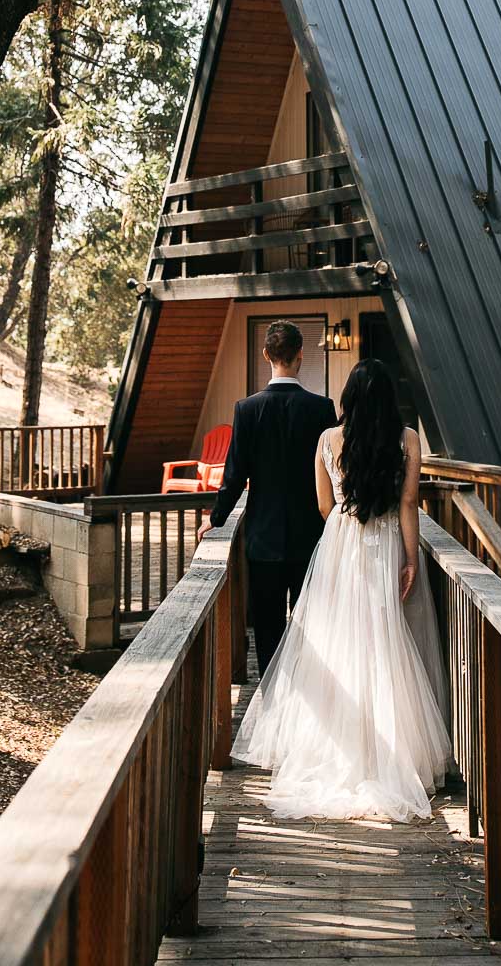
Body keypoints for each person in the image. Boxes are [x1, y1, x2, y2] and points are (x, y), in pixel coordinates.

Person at [233, 356, 451, 822]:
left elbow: (324, 503)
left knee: (337, 641)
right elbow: (410, 502)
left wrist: (345, 532)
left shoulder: (329, 439)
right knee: (383, 638)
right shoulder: (407, 439)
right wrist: (411, 559)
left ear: (349, 397)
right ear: (388, 397)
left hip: (342, 541)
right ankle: (389, 754)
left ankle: (334, 746)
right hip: (386, 542)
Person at [198, 319, 337, 676]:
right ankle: (312, 682)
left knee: (267, 624)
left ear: (266, 355)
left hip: (264, 536)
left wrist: (215, 519)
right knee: (313, 618)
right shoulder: (322, 408)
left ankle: (272, 689)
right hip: (312, 534)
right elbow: (335, 472)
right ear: (300, 356)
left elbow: (234, 475)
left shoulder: (247, 409)